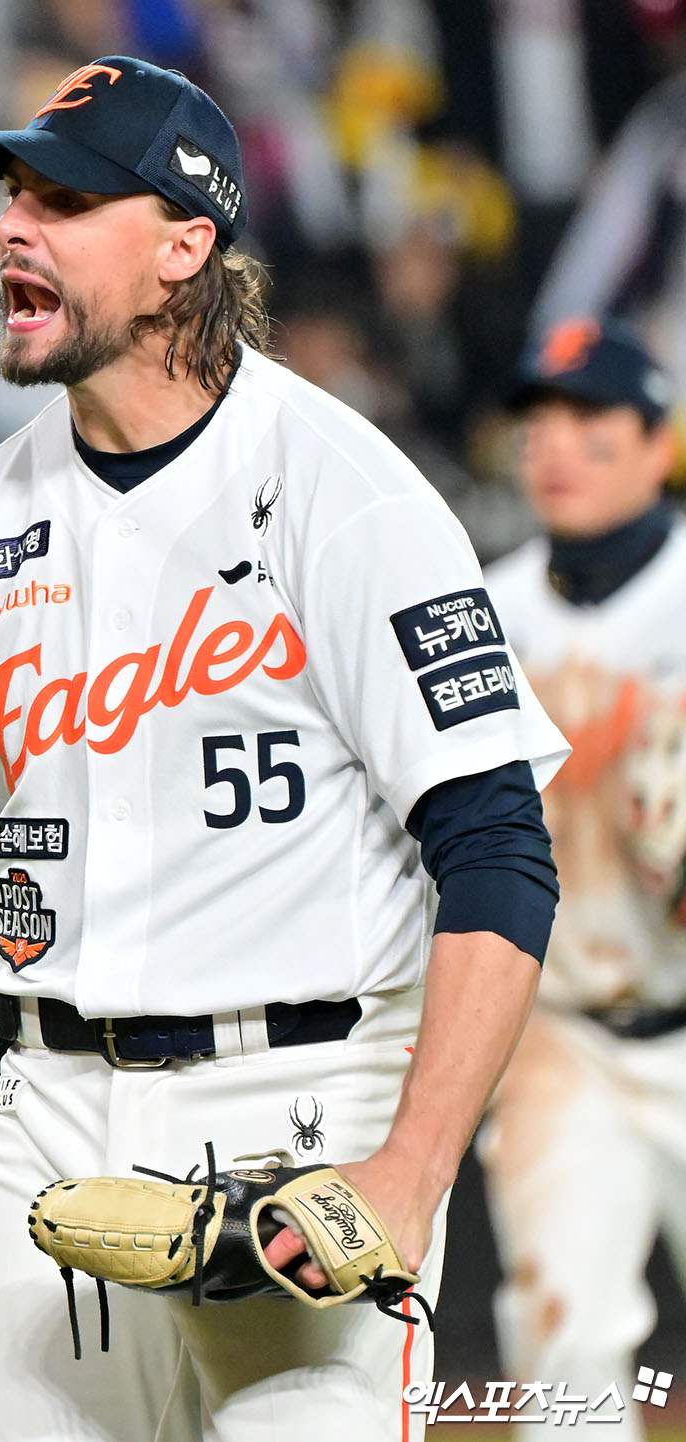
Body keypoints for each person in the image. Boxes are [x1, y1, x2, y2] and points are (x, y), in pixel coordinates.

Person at [0, 55, 568, 1440]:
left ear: (187, 244)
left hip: (300, 1117)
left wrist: (411, 1175)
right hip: (48, 1127)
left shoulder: (347, 492)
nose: (13, 226)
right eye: (14, 193)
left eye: (63, 198)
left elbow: (495, 848)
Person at [478, 316, 686, 1437]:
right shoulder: (483, 613)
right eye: (538, 419)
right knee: (565, 1369)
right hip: (562, 1038)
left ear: (660, 443)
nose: (556, 443)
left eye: (592, 417)